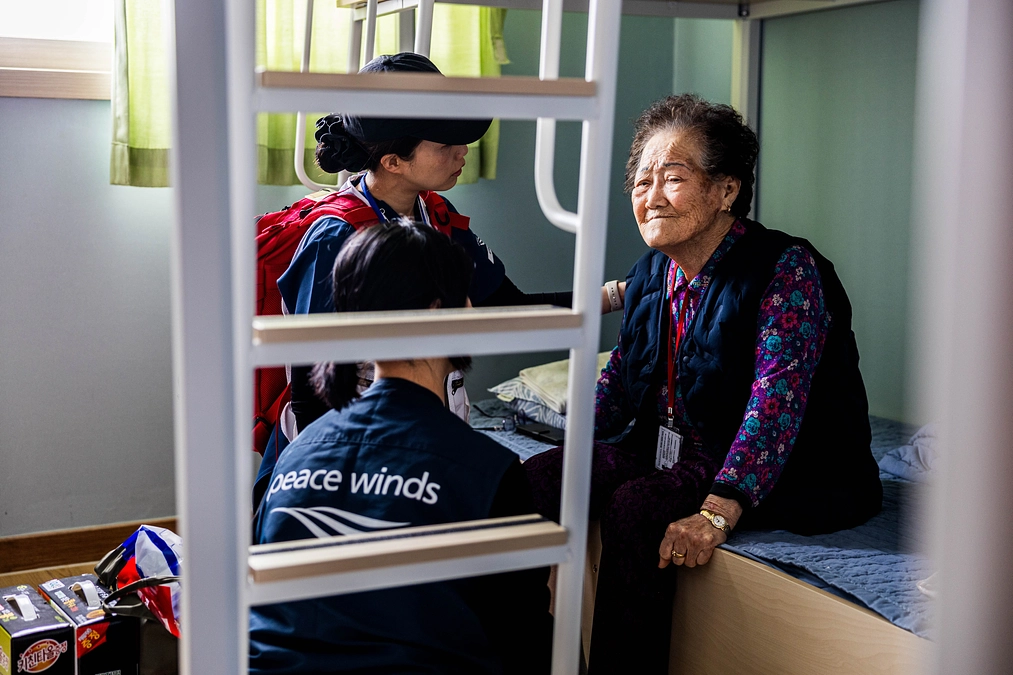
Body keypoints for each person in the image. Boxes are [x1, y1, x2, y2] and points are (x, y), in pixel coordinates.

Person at [523, 94, 883, 674]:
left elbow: (777, 398)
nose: (651, 196)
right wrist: (574, 447)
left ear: (726, 191)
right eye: (642, 182)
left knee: (638, 506)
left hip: (786, 466)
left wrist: (718, 510)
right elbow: (618, 382)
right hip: (679, 448)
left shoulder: (786, 268)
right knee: (537, 480)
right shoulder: (651, 274)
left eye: (673, 177)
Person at [255, 51, 625, 504]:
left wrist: (616, 294)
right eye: (445, 142)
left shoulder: (436, 217)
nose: (462, 150)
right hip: (344, 471)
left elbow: (503, 308)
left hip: (416, 451)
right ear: (393, 160)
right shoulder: (335, 237)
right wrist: (348, 483)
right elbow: (314, 388)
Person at [250, 221, 553, 674]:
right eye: (464, 295)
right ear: (436, 311)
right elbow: (521, 637)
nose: (472, 308)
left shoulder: (295, 453)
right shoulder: (487, 470)